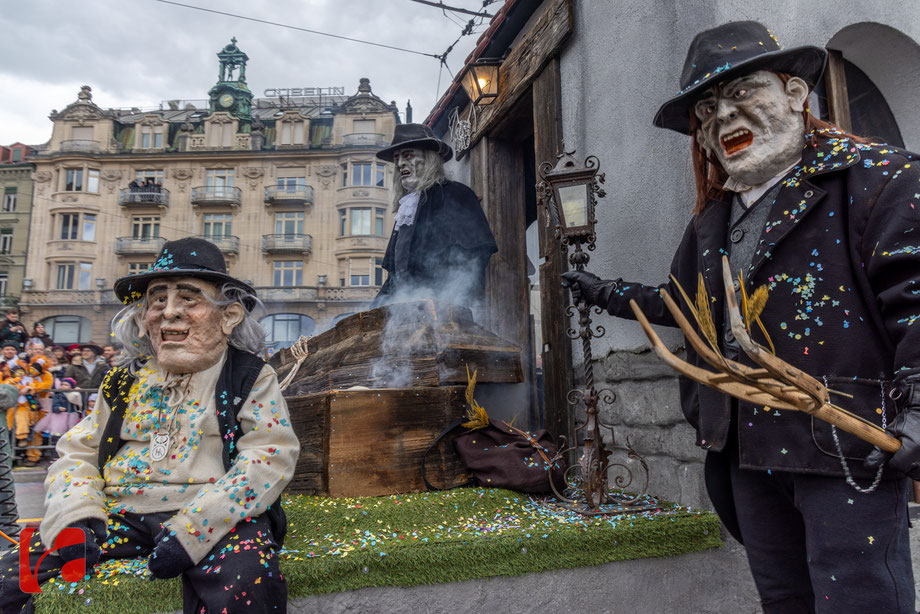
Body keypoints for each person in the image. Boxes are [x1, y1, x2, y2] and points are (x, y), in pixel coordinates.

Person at [562, 21, 918, 613]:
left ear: (796, 94)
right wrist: (605, 293)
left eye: (744, 92)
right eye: (707, 108)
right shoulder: (714, 221)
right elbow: (685, 308)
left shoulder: (877, 179)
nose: (723, 117)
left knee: (860, 603)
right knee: (784, 601)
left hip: (844, 447)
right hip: (743, 452)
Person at [0, 237, 299, 613]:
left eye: (188, 299)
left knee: (248, 581)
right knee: (12, 574)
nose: (169, 312)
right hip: (120, 512)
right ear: (143, 318)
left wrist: (196, 529)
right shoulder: (122, 380)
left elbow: (270, 456)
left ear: (229, 317)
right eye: (158, 300)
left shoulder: (248, 375)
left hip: (219, 517)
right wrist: (75, 515)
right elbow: (77, 452)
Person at [372, 123, 497, 310]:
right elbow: (395, 277)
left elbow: (474, 258)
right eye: (397, 159)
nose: (399, 164)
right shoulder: (406, 210)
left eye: (408, 155)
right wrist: (373, 310)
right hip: (405, 310)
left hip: (445, 307)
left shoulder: (457, 195)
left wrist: (450, 300)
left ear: (430, 158)